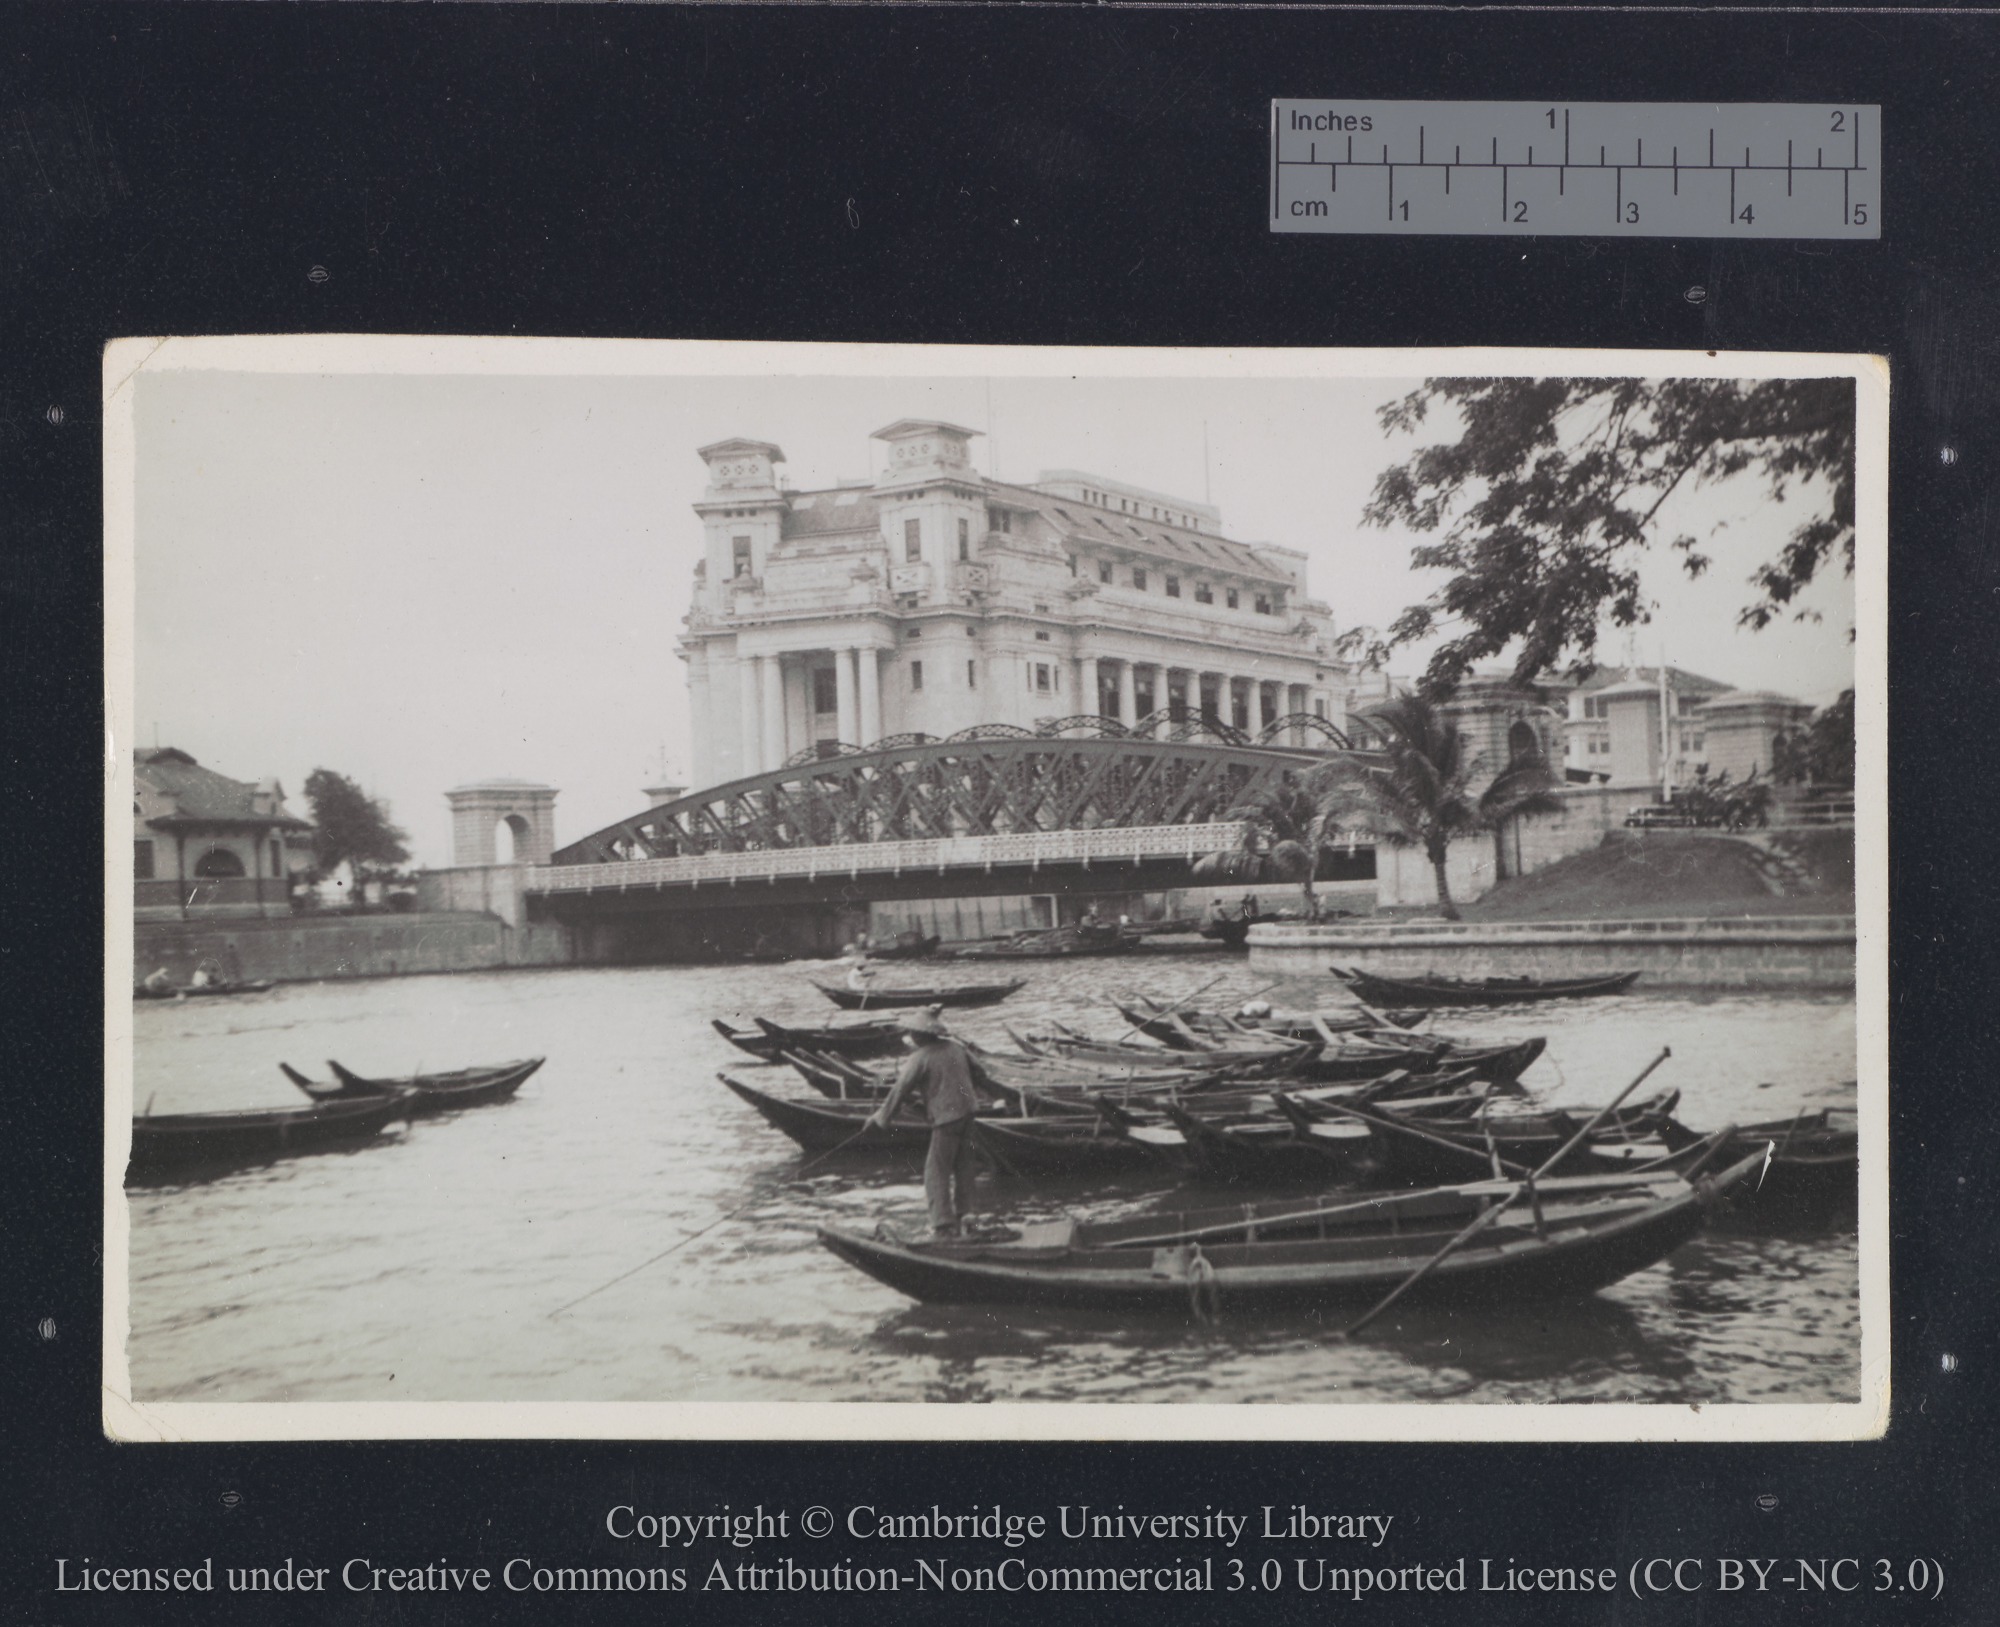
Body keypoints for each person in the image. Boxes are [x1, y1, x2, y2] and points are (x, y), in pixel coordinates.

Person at [866, 1006, 982, 1237]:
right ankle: (967, 1217)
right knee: (964, 1167)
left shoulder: (920, 1057)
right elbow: (980, 1073)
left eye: (912, 1033)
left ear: (919, 1035)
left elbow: (899, 1090)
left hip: (947, 1119)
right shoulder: (957, 1048)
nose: (911, 1037)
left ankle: (943, 1225)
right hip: (969, 1113)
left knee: (935, 1171)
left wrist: (882, 1118)